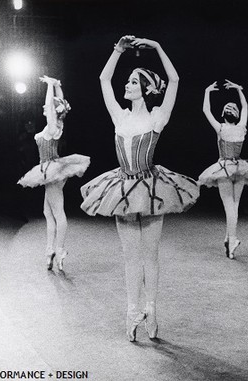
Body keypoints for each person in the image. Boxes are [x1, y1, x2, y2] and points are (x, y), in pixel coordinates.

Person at [80, 35, 199, 341]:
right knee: (130, 257)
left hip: (151, 189)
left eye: (133, 82)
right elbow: (104, 78)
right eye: (128, 81)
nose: (127, 85)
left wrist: (158, 47)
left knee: (151, 256)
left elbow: (174, 79)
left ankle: (152, 310)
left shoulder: (157, 116)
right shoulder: (119, 115)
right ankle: (132, 311)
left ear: (145, 88)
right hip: (122, 189)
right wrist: (118, 50)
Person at [18, 76, 90, 271]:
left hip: (52, 170)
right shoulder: (55, 126)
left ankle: (59, 249)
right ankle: (50, 250)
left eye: (48, 108)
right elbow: (60, 105)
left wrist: (50, 85)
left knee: (57, 213)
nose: (44, 108)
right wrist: (58, 86)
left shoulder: (52, 127)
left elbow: (50, 105)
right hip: (50, 170)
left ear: (53, 112)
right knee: (48, 213)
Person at [198, 80, 248, 259]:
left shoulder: (221, 128)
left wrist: (207, 91)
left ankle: (233, 238)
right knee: (234, 205)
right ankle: (229, 237)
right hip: (239, 168)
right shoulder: (241, 128)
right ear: (236, 116)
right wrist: (239, 90)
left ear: (224, 115)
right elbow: (245, 106)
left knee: (230, 206)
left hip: (224, 168)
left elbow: (206, 111)